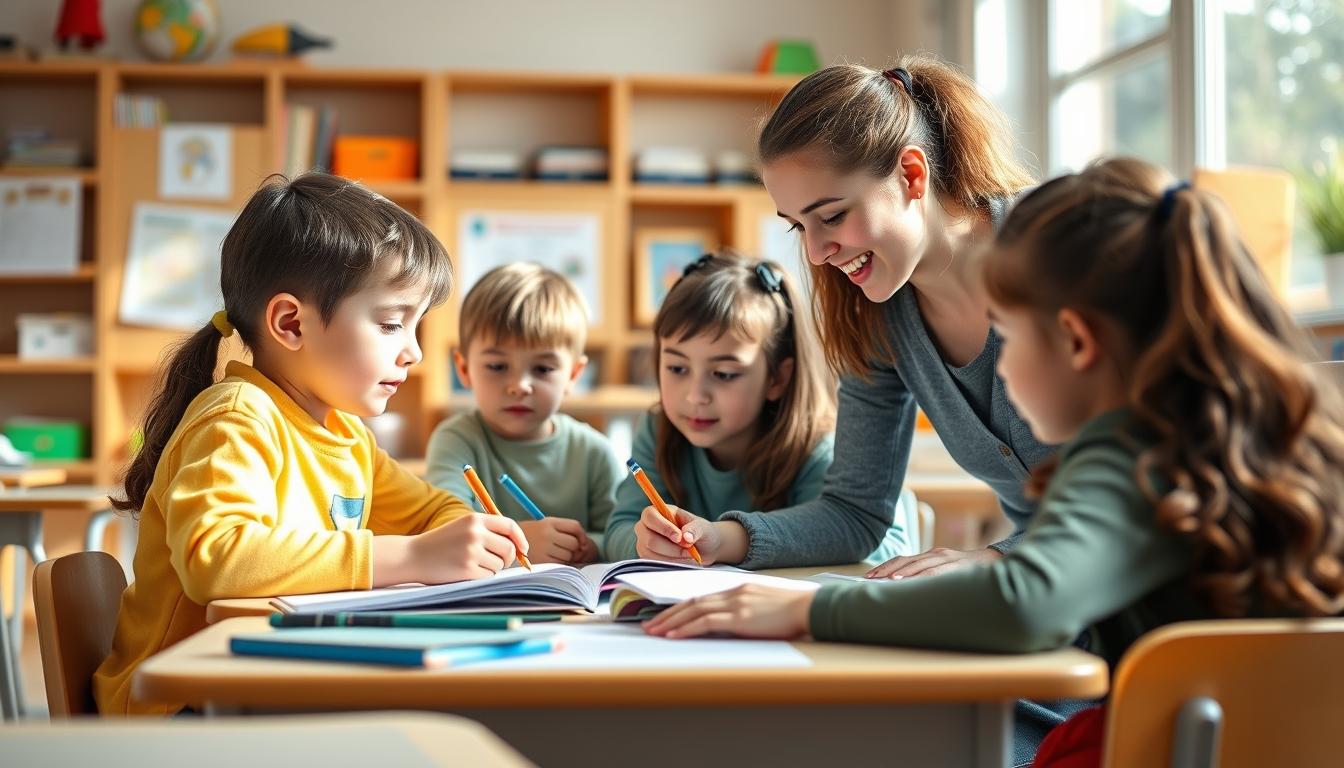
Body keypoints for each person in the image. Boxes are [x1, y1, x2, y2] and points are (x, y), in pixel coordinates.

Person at [643, 158, 1344, 766]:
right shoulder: (1240, 433)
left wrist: (811, 608)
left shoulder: (1129, 448)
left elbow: (1026, 602)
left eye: (1006, 336)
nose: (994, 364)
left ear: (1076, 342)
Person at [94, 173, 528, 715]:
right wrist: (412, 556)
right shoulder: (233, 420)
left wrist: (475, 539)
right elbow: (219, 561)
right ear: (291, 323)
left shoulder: (347, 436)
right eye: (393, 324)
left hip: (270, 678)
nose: (414, 352)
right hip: (183, 706)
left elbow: (429, 512)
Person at [604, 249, 844, 564]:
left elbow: (858, 542)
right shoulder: (660, 429)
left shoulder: (817, 446)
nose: (695, 396)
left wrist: (727, 539)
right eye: (677, 368)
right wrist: (644, 543)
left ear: (777, 379)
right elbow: (619, 528)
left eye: (724, 374)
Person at [425, 263, 623, 564]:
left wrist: (587, 546)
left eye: (543, 369)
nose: (519, 386)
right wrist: (522, 540)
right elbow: (446, 526)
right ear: (464, 369)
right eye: (497, 366)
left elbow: (615, 535)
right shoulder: (456, 440)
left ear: (573, 374)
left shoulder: (594, 451)